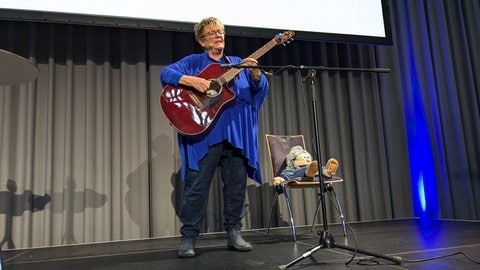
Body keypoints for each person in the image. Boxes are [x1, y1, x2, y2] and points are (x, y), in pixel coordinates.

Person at [160, 17, 269, 258]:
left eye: (221, 31)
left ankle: (234, 233)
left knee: (236, 188)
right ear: (201, 40)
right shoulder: (194, 62)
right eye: (212, 33)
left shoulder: (237, 63)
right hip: (205, 135)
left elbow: (258, 91)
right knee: (197, 188)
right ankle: (189, 237)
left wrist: (256, 74)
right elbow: (166, 73)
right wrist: (192, 81)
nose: (219, 35)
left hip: (236, 134)